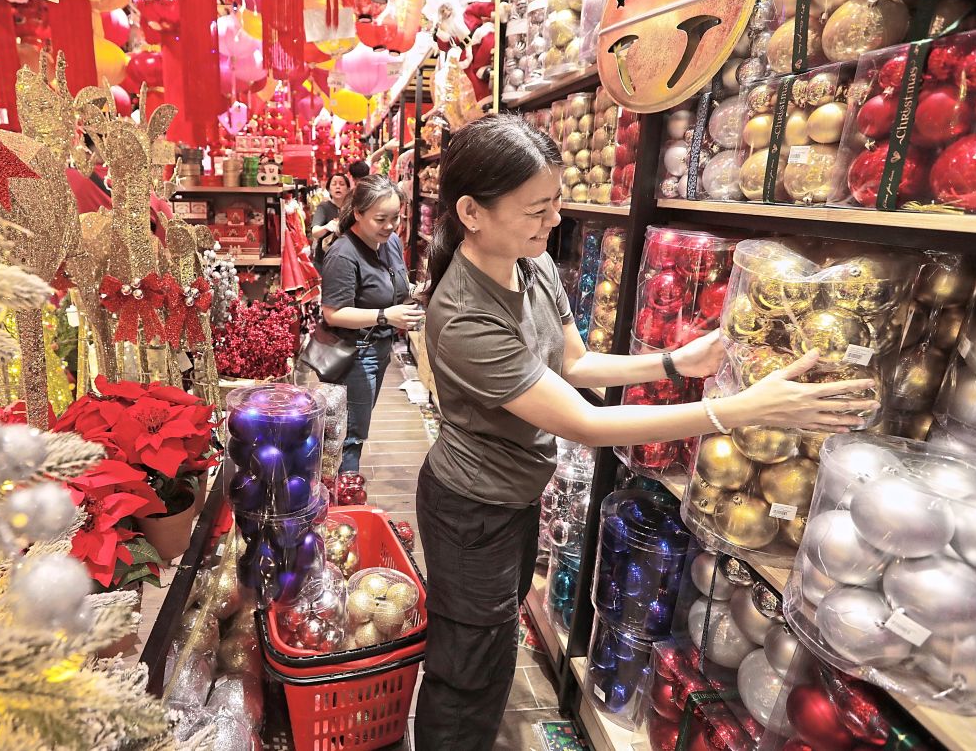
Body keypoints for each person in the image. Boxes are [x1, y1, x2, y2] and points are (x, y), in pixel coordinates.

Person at [412, 114, 878, 751]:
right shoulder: (465, 318)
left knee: (491, 638)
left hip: (514, 496)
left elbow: (573, 363)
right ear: (471, 211)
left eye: (555, 205)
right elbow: (586, 421)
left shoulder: (532, 263)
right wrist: (738, 410)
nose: (553, 223)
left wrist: (672, 363)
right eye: (537, 209)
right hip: (472, 510)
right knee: (465, 665)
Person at [321, 175, 424, 472]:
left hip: (379, 348)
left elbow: (395, 287)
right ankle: (345, 495)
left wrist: (418, 292)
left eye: (396, 217)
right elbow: (333, 313)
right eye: (381, 219)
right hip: (355, 352)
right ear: (358, 213)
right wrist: (385, 315)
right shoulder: (343, 254)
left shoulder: (389, 242)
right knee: (351, 433)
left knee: (358, 426)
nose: (390, 226)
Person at [311, 172, 350, 272]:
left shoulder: (352, 209)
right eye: (334, 184)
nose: (338, 187)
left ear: (348, 189)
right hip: (325, 261)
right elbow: (315, 232)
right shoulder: (324, 207)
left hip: (347, 260)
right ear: (329, 189)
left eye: (342, 184)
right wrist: (326, 227)